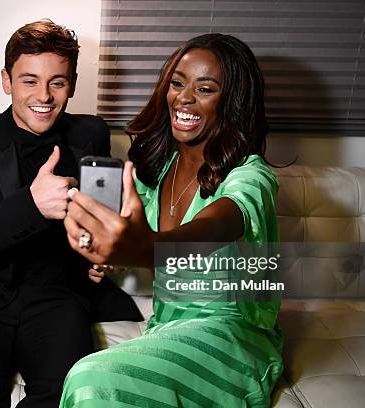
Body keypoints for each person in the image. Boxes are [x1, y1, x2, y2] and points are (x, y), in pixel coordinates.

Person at [0, 20, 142, 408]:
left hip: (56, 296)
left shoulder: (91, 134)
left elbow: (95, 216)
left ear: (71, 83)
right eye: (29, 81)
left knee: (70, 398)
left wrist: (96, 256)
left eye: (57, 82)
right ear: (6, 81)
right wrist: (30, 206)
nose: (44, 96)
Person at [61, 33, 283, 407]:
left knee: (90, 378)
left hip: (232, 332)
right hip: (166, 325)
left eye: (206, 88)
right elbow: (137, 241)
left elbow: (218, 224)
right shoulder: (161, 169)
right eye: (177, 83)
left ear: (232, 101)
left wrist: (149, 249)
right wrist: (114, 256)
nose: (184, 97)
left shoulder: (250, 175)